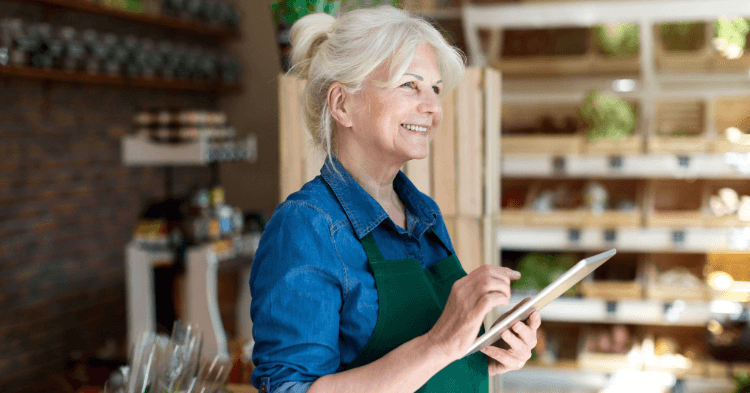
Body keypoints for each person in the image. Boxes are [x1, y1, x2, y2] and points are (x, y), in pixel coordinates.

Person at [249, 5, 541, 393]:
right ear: (342, 105)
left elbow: (432, 370)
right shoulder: (307, 227)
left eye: (435, 89)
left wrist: (487, 353)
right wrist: (441, 344)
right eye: (410, 85)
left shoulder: (423, 214)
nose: (433, 107)